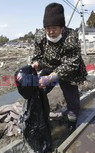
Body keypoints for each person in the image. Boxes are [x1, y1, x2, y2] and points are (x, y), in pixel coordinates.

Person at [30, 2, 87, 132]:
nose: (50, 32)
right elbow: (37, 55)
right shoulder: (40, 36)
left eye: (54, 28)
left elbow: (72, 63)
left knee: (72, 99)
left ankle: (72, 123)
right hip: (49, 66)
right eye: (47, 28)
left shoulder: (71, 37)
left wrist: (52, 77)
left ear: (62, 27)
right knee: (38, 89)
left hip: (69, 71)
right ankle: (40, 117)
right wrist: (36, 63)